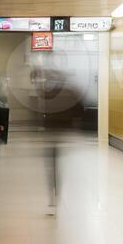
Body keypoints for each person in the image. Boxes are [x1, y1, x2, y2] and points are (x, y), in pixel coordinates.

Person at [38, 68, 85, 216]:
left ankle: (53, 197)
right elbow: (80, 110)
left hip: (51, 131)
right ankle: (55, 195)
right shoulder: (71, 92)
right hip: (63, 130)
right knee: (56, 165)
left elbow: (41, 110)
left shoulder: (49, 92)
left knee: (52, 165)